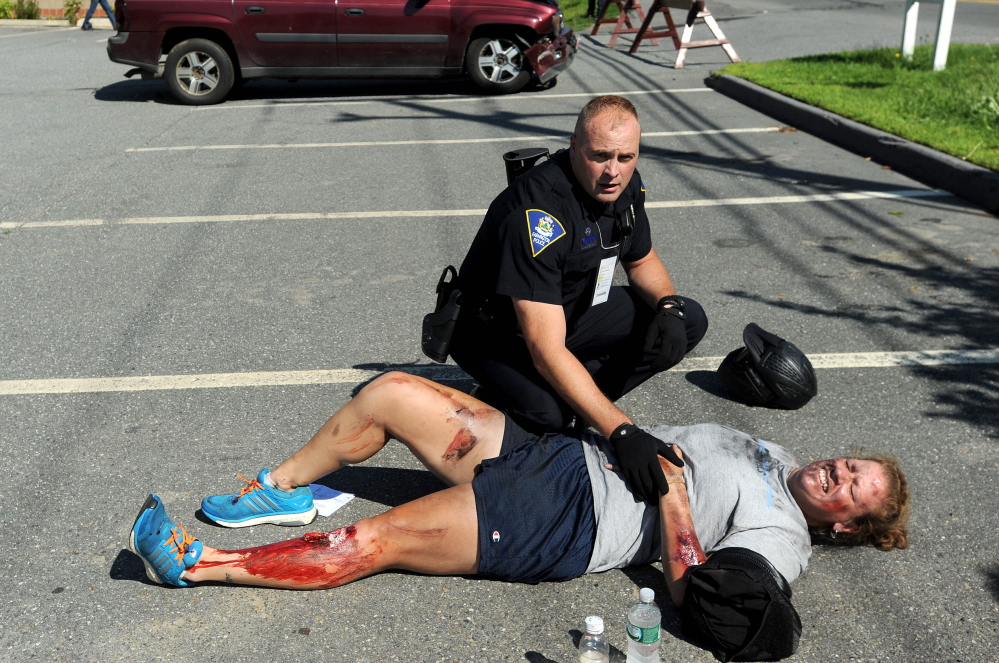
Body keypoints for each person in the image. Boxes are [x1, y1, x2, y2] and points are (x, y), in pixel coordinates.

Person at [129, 371, 910, 611]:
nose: (837, 475)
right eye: (848, 465)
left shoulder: (783, 536)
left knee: (375, 538)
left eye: (851, 492)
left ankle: (196, 564)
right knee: (392, 393)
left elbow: (709, 596)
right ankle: (283, 486)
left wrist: (670, 497)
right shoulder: (775, 454)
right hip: (558, 456)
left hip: (564, 518)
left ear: (844, 528)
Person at [448, 95, 708, 504]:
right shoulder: (539, 215)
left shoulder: (625, 184)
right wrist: (622, 431)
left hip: (566, 311)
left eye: (626, 157)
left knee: (687, 320)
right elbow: (545, 346)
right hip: (496, 332)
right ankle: (504, 408)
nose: (613, 171)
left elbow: (641, 260)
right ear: (574, 145)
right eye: (600, 156)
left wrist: (668, 306)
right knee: (546, 414)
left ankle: (579, 403)